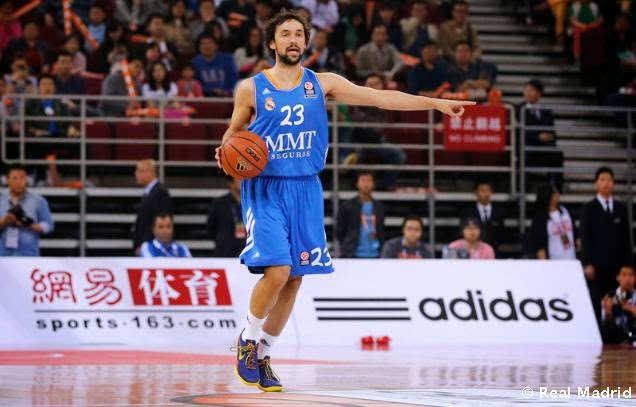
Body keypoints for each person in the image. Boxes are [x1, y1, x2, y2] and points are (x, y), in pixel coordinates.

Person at [213, 9, 471, 392]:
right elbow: (233, 134)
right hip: (266, 188)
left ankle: (264, 354)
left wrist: (434, 104)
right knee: (278, 270)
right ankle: (247, 341)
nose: (293, 40)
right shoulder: (251, 89)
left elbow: (380, 97)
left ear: (306, 41)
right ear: (271, 43)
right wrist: (225, 152)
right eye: (285, 34)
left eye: (298, 34)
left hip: (306, 188)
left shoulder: (323, 83)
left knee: (294, 279)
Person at [581, 166, 633, 324]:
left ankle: (620, 332)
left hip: (617, 266)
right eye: (602, 180)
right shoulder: (588, 208)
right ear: (596, 183)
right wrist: (588, 263)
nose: (606, 183)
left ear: (613, 183)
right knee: (596, 301)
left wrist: (628, 265)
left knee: (619, 300)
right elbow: (585, 238)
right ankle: (598, 331)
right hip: (597, 267)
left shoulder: (620, 208)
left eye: (609, 180)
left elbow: (626, 238)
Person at [518, 79, 563, 189]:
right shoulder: (518, 109)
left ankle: (556, 187)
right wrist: (538, 137)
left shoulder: (546, 111)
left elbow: (553, 132)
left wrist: (550, 136)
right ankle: (523, 188)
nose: (528, 93)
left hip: (545, 145)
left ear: (539, 93)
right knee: (525, 153)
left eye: (531, 90)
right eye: (526, 90)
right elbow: (519, 130)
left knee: (557, 153)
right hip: (527, 144)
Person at [0, 164, 54, 256]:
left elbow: (49, 226)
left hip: (29, 255)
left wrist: (30, 225)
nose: (18, 182)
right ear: (7, 180)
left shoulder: (38, 201)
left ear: (26, 179)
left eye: (22, 178)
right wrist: (4, 221)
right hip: (3, 255)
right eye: (15, 178)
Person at [337, 171, 386, 259]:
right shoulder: (347, 205)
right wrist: (348, 245)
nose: (366, 184)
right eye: (363, 180)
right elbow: (340, 230)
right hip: (352, 254)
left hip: (376, 253)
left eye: (369, 180)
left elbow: (381, 229)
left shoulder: (379, 206)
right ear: (357, 183)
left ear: (374, 184)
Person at [132, 159, 173, 255]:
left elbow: (161, 222)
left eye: (140, 171)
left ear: (150, 173)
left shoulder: (159, 193)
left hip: (153, 249)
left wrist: (146, 246)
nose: (136, 174)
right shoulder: (150, 192)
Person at [528, 184, 578, 260]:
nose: (558, 194)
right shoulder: (540, 218)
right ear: (547, 195)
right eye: (554, 192)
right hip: (553, 262)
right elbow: (539, 245)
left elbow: (576, 234)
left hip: (571, 260)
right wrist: (545, 264)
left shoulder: (565, 210)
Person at [459, 180, 504, 256]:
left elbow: (501, 232)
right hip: (472, 252)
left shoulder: (499, 211)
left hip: (495, 251)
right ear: (476, 193)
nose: (485, 193)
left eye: (488, 190)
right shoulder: (467, 211)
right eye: (482, 190)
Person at [207, 177, 245, 257]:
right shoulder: (219, 203)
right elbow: (211, 228)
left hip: (246, 250)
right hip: (225, 252)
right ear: (230, 183)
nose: (244, 182)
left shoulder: (252, 202)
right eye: (240, 179)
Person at [601, 266, 636, 344]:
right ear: (618, 277)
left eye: (631, 275)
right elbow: (605, 325)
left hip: (633, 335)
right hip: (617, 337)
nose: (628, 278)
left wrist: (632, 309)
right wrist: (608, 314)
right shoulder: (609, 297)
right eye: (624, 275)